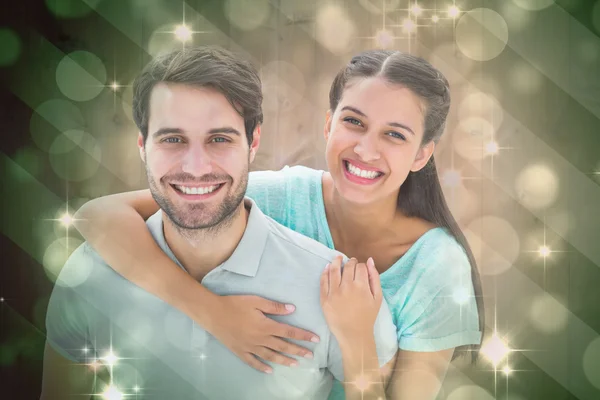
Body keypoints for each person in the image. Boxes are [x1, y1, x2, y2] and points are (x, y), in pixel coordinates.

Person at [72, 49, 484, 399]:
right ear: (328, 125)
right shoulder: (272, 197)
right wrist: (213, 313)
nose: (365, 148)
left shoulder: (438, 268)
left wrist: (356, 338)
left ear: (421, 155)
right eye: (353, 122)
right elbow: (99, 216)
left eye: (394, 135)